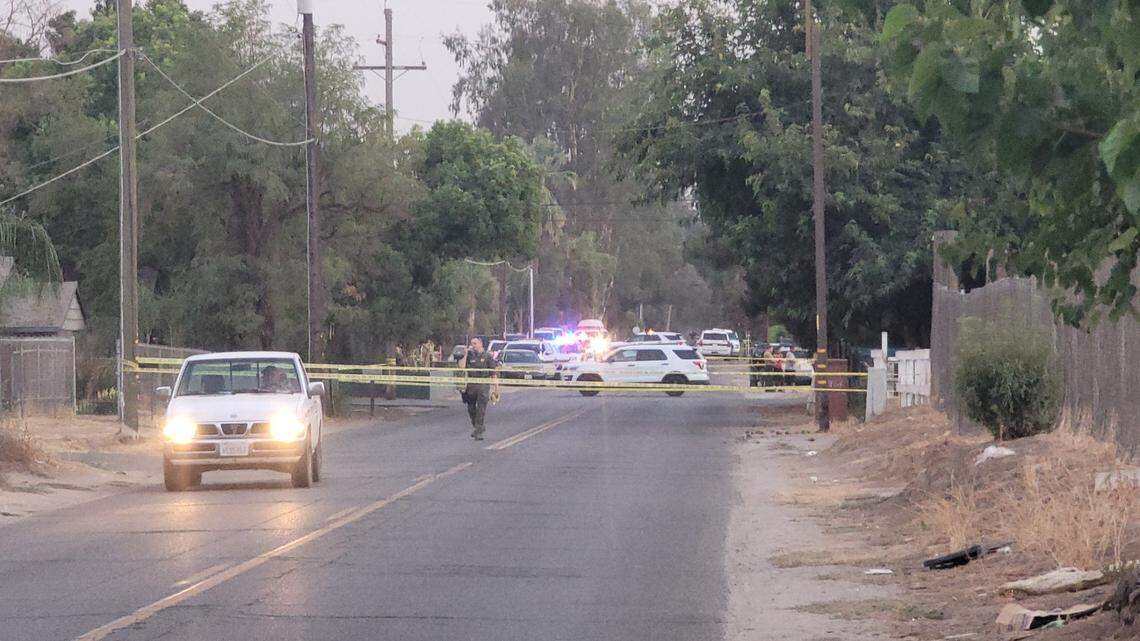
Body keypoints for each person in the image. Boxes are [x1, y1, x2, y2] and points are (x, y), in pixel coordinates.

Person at [460, 337, 499, 440]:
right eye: (472, 344)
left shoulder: (487, 356)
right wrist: (465, 354)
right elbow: (462, 367)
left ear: (480, 344)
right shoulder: (470, 355)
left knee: (481, 409)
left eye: (475, 343)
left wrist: (496, 389)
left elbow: (493, 373)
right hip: (471, 385)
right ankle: (479, 427)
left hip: (483, 385)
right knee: (471, 408)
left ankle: (478, 432)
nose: (473, 346)